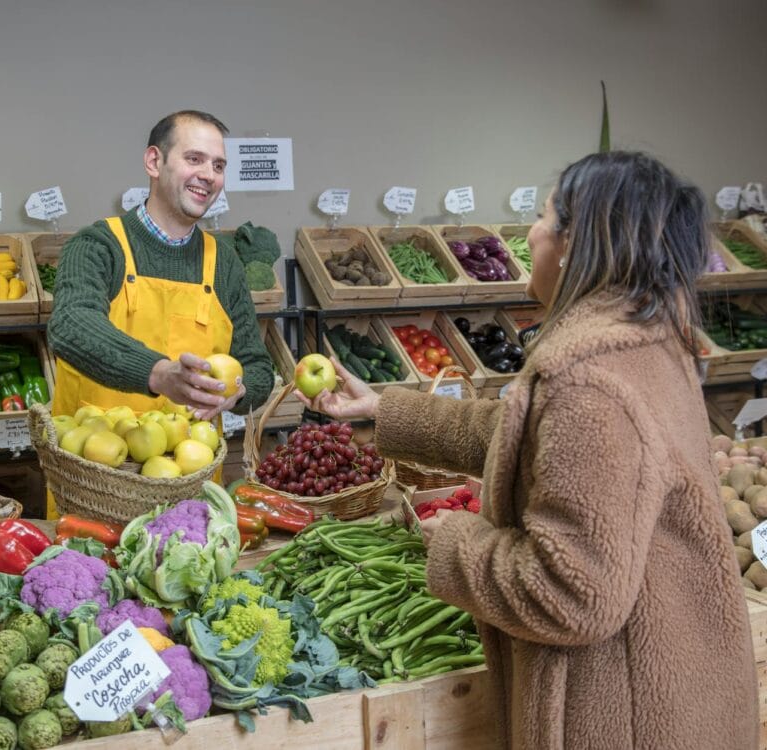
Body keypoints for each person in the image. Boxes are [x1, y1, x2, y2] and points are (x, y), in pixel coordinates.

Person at [297, 152, 759, 749]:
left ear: (573, 244)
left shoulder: (589, 380)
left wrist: (459, 541)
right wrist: (387, 410)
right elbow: (535, 441)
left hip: (624, 711)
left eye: (544, 219)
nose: (533, 234)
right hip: (675, 672)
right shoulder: (648, 340)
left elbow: (573, 594)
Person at [48, 110, 274, 425]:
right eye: (194, 159)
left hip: (192, 467)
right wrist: (158, 374)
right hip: (94, 464)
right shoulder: (97, 246)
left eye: (218, 165)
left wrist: (239, 389)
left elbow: (258, 367)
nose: (209, 175)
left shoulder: (224, 262)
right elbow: (71, 325)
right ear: (154, 162)